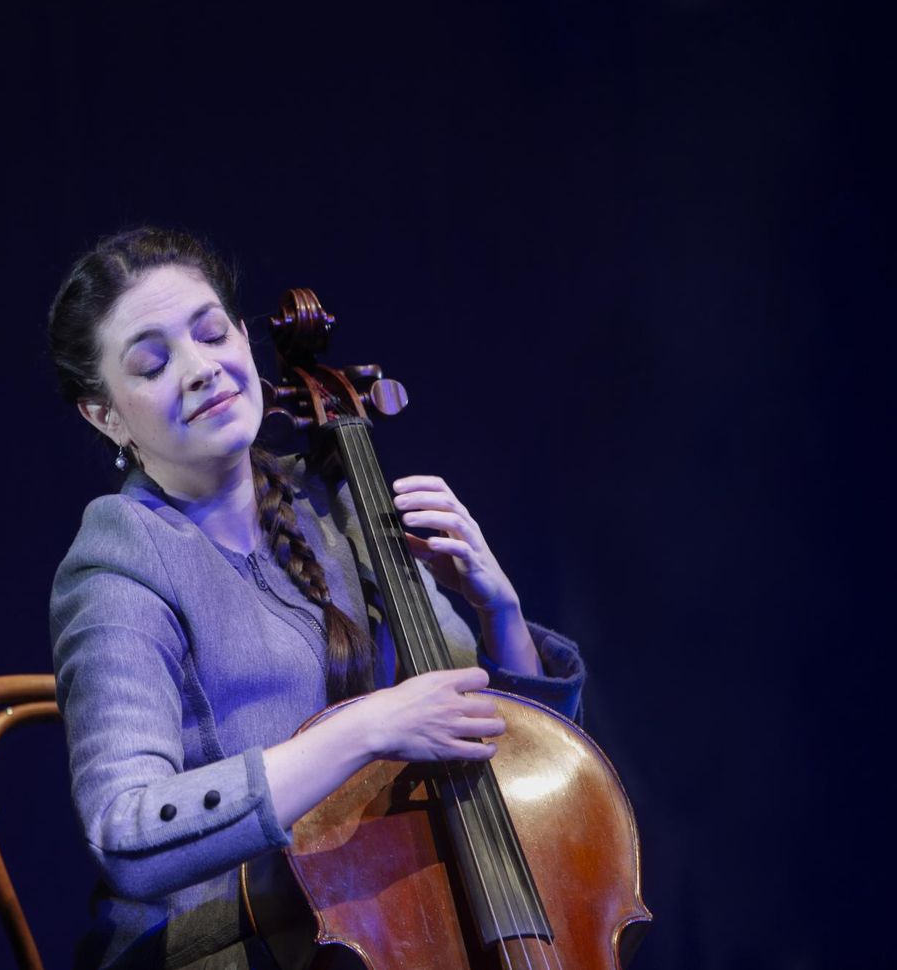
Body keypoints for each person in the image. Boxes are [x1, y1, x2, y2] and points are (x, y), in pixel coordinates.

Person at [47, 227, 585, 970]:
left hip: (379, 927)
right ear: (104, 415)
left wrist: (500, 613)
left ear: (244, 339)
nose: (201, 369)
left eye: (212, 334)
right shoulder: (118, 558)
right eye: (153, 363)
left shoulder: (336, 501)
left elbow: (509, 755)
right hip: (225, 946)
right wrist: (363, 730)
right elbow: (126, 832)